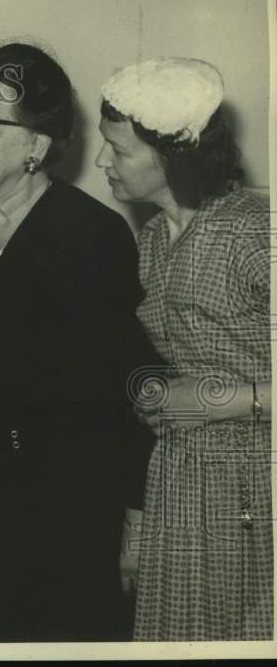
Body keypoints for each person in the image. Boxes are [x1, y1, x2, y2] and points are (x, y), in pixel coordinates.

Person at [0, 41, 153, 641]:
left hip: (60, 512)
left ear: (36, 147)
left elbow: (120, 397)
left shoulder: (94, 237)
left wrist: (133, 519)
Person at [96, 57, 272, 641]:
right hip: (182, 482)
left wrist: (229, 400)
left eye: (118, 151)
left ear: (173, 156)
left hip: (260, 483)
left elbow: (213, 392)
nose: (102, 163)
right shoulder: (149, 239)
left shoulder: (254, 227)